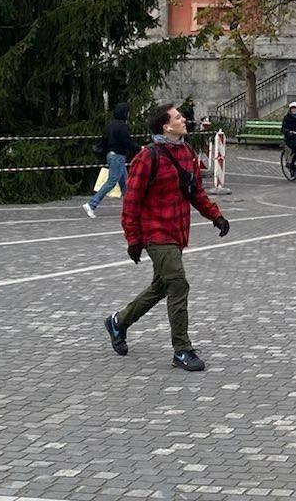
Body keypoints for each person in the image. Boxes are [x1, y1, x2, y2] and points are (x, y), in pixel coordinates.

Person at [103, 103, 229, 371]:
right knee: (179, 284)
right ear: (166, 126)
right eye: (178, 117)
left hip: (178, 232)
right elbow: (131, 203)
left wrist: (215, 216)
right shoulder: (147, 157)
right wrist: (133, 240)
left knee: (162, 286)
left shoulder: (187, 152)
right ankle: (182, 350)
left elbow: (195, 192)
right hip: (156, 233)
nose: (184, 120)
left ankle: (118, 322)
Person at [82, 101, 141, 218]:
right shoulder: (122, 126)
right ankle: (91, 204)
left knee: (125, 184)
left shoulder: (110, 125)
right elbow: (127, 142)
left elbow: (104, 141)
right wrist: (140, 148)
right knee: (112, 182)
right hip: (118, 156)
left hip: (111, 155)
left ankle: (131, 208)